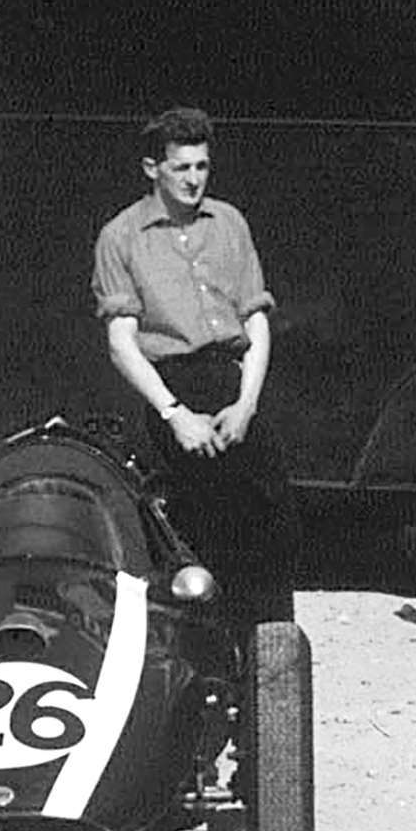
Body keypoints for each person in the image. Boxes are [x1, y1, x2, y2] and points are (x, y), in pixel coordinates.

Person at [92, 105, 300, 624]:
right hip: (174, 388)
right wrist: (175, 414)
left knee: (272, 520)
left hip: (233, 382)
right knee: (196, 530)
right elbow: (122, 343)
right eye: (181, 168)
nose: (193, 180)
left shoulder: (229, 223)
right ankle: (208, 656)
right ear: (152, 169)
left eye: (201, 167)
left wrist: (247, 404)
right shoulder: (120, 237)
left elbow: (255, 320)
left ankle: (268, 658)